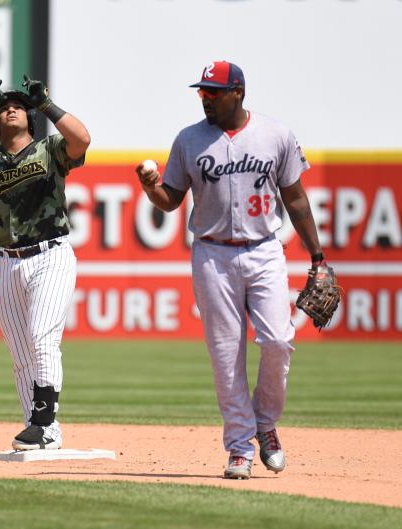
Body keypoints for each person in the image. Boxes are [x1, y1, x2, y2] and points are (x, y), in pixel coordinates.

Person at [136, 61, 327, 479]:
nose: (204, 97)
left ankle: (266, 424)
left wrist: (317, 256)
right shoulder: (189, 140)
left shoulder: (276, 134)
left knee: (278, 341)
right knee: (226, 356)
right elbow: (170, 200)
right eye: (202, 91)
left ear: (237, 92)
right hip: (212, 255)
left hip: (264, 250)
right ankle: (239, 446)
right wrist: (151, 186)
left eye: (213, 92)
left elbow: (294, 199)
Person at [0, 75, 90, 450]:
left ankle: (46, 425)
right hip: (8, 262)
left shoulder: (49, 149)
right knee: (21, 352)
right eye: (3, 107)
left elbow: (82, 140)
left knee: (43, 338)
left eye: (17, 106)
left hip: (51, 254)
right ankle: (34, 426)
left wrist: (45, 104)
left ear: (29, 117)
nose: (11, 109)